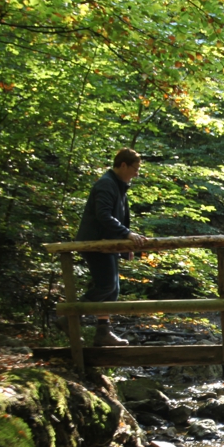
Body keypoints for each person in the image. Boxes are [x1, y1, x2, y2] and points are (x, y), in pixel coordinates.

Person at [72, 147, 148, 346]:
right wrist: (127, 235)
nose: (136, 173)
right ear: (123, 165)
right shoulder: (107, 184)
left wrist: (124, 245)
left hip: (108, 245)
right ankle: (70, 317)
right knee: (106, 286)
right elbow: (103, 216)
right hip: (95, 243)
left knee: (113, 290)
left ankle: (103, 332)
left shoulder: (118, 185)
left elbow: (117, 218)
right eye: (135, 168)